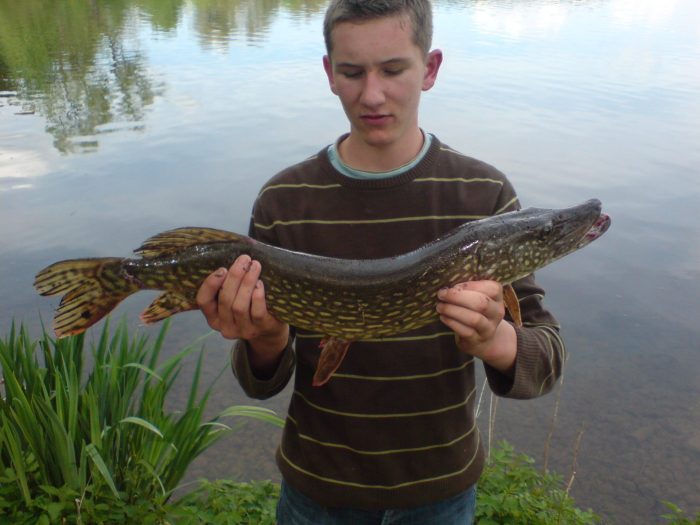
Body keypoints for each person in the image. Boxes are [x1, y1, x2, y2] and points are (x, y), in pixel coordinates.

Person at [196, 1, 565, 523]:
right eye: (352, 72)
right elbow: (261, 380)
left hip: (440, 495)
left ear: (430, 68)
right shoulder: (285, 201)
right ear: (329, 73)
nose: (372, 94)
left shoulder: (482, 195)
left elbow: (546, 359)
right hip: (317, 492)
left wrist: (496, 340)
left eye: (393, 70)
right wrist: (266, 339)